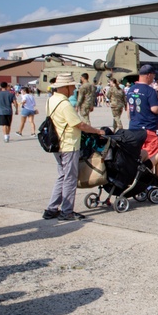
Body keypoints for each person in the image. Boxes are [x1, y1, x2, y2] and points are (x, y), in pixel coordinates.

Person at [43, 73, 105, 221]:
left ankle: (51, 209)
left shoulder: (51, 100)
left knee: (62, 176)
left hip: (56, 143)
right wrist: (97, 131)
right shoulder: (64, 104)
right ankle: (67, 211)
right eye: (71, 86)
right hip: (68, 145)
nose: (73, 89)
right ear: (64, 87)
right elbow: (79, 124)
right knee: (70, 178)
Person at [126, 64, 158, 179]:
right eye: (153, 76)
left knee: (139, 156)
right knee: (153, 156)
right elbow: (154, 108)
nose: (153, 78)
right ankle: (150, 180)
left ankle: (140, 179)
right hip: (149, 129)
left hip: (134, 129)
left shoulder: (131, 89)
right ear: (148, 75)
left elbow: (128, 110)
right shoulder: (150, 91)